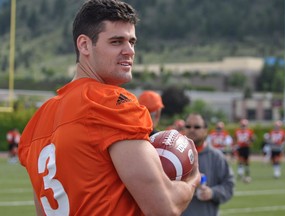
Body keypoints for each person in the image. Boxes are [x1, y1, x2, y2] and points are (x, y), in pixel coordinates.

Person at [18, 1, 200, 215]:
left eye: (132, 42)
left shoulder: (38, 120)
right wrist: (192, 180)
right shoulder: (110, 103)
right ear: (84, 45)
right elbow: (164, 207)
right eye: (116, 41)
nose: (129, 51)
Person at [182, 114, 234, 216]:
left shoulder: (216, 157)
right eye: (188, 126)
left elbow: (229, 186)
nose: (192, 130)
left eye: (197, 127)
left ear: (205, 130)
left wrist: (212, 193)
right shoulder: (174, 156)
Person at [234, 119, 255, 183]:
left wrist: (249, 141)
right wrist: (235, 145)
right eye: (242, 125)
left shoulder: (249, 131)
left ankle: (247, 171)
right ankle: (240, 173)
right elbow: (235, 139)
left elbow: (253, 138)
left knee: (247, 161)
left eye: (244, 125)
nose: (243, 127)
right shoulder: (237, 131)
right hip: (240, 147)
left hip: (246, 147)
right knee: (240, 160)